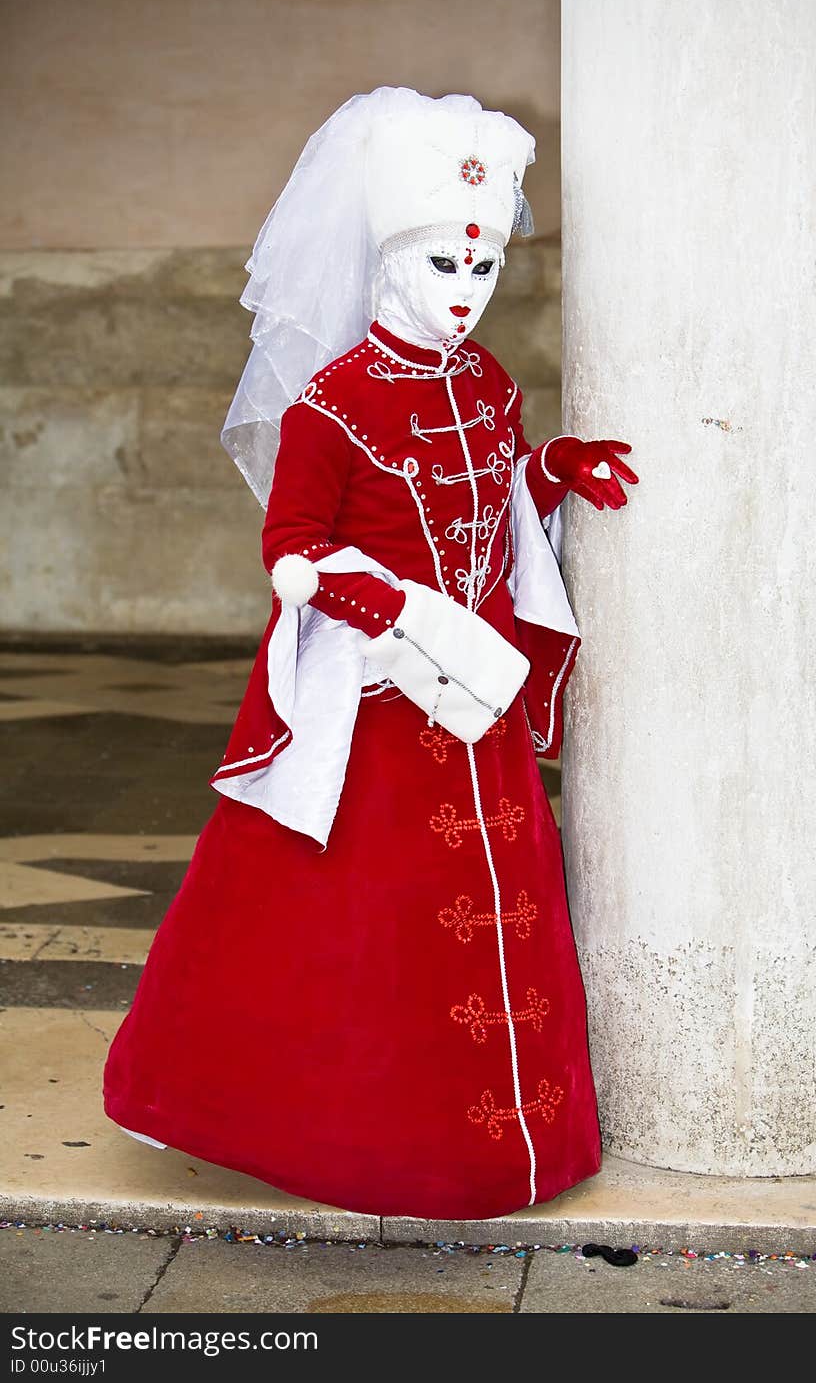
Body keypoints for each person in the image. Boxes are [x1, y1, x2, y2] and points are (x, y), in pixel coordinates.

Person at [103, 87, 637, 1220]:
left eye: (481, 271)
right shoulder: (330, 406)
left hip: (473, 706)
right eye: (442, 267)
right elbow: (290, 544)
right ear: (388, 262)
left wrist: (555, 470)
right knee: (366, 932)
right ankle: (385, 1150)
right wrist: (363, 595)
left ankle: (519, 1149)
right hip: (385, 701)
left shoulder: (488, 384)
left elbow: (494, 492)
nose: (463, 296)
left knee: (501, 911)